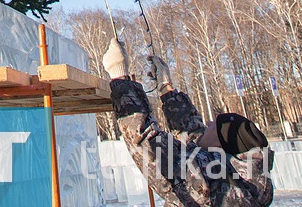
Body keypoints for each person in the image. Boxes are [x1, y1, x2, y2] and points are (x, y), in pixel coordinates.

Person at [102, 38, 274, 207]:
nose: (208, 122)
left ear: (221, 146)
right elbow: (195, 136)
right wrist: (166, 89)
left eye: (214, 125)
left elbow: (150, 145)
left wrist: (119, 75)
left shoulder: (218, 182)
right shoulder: (239, 173)